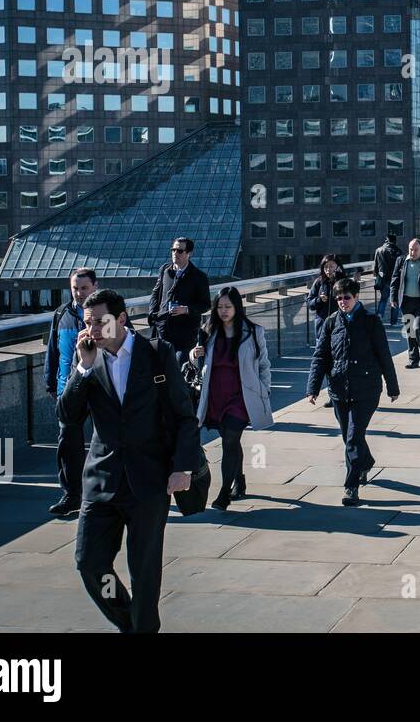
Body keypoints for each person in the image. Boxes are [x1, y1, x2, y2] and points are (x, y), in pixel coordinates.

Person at [59, 287, 201, 633]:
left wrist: (182, 467)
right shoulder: (90, 361)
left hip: (149, 481)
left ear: (121, 319)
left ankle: (143, 627)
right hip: (102, 480)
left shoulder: (156, 354)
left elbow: (184, 416)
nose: (91, 330)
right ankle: (132, 624)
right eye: (87, 323)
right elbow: (68, 416)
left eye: (99, 322)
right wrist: (83, 368)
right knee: (90, 563)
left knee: (144, 572)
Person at [307, 278, 400, 506]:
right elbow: (321, 356)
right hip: (339, 389)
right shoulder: (331, 323)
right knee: (349, 436)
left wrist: (392, 386)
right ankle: (365, 462)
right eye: (338, 298)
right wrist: (313, 388)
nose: (342, 302)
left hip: (366, 389)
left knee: (353, 436)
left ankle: (351, 486)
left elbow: (384, 354)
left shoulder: (371, 321)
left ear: (356, 296)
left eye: (346, 297)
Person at [190, 287, 273, 511]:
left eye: (228, 306)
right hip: (215, 395)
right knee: (230, 440)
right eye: (220, 307)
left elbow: (264, 364)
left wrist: (265, 388)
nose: (224, 311)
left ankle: (224, 493)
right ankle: (240, 479)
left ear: (237, 307)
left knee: (230, 440)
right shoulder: (208, 331)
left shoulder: (253, 332)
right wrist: (193, 354)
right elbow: (197, 359)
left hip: (241, 397)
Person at [44, 267, 97, 516]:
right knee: (68, 443)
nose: (78, 292)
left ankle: (109, 489)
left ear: (95, 287)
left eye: (84, 288)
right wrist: (50, 383)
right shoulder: (61, 314)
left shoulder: (105, 314)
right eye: (75, 287)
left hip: (100, 387)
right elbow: (53, 351)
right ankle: (71, 494)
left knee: (108, 440)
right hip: (69, 387)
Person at [147, 237, 211, 369]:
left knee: (178, 369)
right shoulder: (165, 270)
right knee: (159, 370)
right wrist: (153, 314)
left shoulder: (199, 276)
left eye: (180, 251)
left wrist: (186, 309)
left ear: (189, 253)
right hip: (163, 330)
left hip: (185, 335)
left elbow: (205, 304)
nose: (175, 253)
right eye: (173, 250)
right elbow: (156, 293)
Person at [389, 238, 420, 369]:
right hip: (406, 301)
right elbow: (394, 280)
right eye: (411, 249)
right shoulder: (401, 261)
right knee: (410, 331)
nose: (412, 252)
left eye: (415, 249)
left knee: (418, 328)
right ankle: (413, 359)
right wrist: (393, 297)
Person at [306, 255, 342, 344]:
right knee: (321, 355)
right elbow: (309, 303)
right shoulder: (319, 282)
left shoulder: (343, 282)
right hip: (322, 328)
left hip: (339, 328)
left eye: (331, 266)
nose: (328, 269)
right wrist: (319, 300)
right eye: (326, 267)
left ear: (338, 267)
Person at [372, 233, 401, 325]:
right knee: (395, 300)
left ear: (386, 240)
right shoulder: (398, 251)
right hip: (395, 280)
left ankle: (380, 316)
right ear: (394, 241)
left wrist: (377, 277)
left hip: (383, 279)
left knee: (383, 299)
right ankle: (394, 321)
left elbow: (375, 266)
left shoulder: (379, 250)